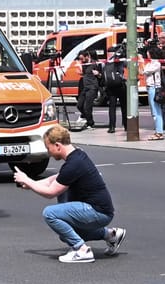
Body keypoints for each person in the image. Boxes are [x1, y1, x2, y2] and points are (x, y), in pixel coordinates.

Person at [14, 124, 123, 263]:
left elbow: (50, 192)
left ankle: (81, 250)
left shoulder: (73, 164)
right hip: (100, 209)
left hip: (97, 211)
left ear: (58, 146)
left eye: (49, 148)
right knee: (65, 232)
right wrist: (31, 183)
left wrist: (28, 181)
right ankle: (111, 235)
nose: (49, 153)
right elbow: (55, 179)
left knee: (50, 213)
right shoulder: (77, 155)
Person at [102, 48, 128, 133]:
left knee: (112, 107)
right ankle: (126, 125)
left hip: (110, 87)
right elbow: (127, 64)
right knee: (124, 106)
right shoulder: (120, 61)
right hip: (120, 85)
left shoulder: (105, 63)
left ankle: (112, 127)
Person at [76, 54, 104, 129]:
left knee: (87, 107)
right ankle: (86, 117)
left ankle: (90, 123)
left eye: (82, 59)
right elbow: (85, 74)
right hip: (85, 87)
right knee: (79, 105)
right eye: (80, 59)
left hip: (92, 87)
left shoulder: (94, 64)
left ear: (87, 56)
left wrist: (98, 74)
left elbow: (101, 75)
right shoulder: (84, 64)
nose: (81, 60)